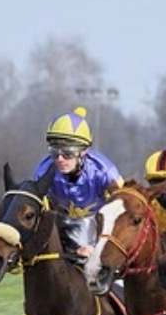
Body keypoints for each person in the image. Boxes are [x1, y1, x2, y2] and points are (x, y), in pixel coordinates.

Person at [34, 106, 124, 258]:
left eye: (68, 153)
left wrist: (95, 245)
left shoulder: (104, 171)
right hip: (62, 224)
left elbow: (119, 212)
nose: (60, 159)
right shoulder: (43, 171)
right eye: (54, 152)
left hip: (98, 225)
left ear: (84, 151)